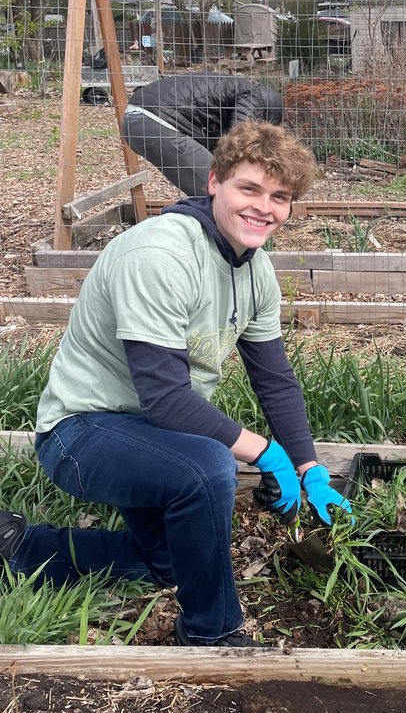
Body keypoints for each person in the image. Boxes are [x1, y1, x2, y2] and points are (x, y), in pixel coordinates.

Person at [0, 120, 351, 647]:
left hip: (148, 436)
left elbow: (275, 380)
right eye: (249, 188)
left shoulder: (255, 271)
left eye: (280, 197)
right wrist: (265, 453)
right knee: (209, 467)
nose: (264, 207)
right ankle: (212, 634)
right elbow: (165, 399)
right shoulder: (161, 255)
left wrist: (309, 466)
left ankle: (19, 547)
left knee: (165, 564)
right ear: (214, 182)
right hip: (81, 433)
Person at [122, 73, 284, 197]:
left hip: (136, 120)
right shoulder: (254, 96)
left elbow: (222, 145)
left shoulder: (234, 88)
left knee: (207, 190)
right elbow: (239, 140)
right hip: (156, 120)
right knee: (220, 191)